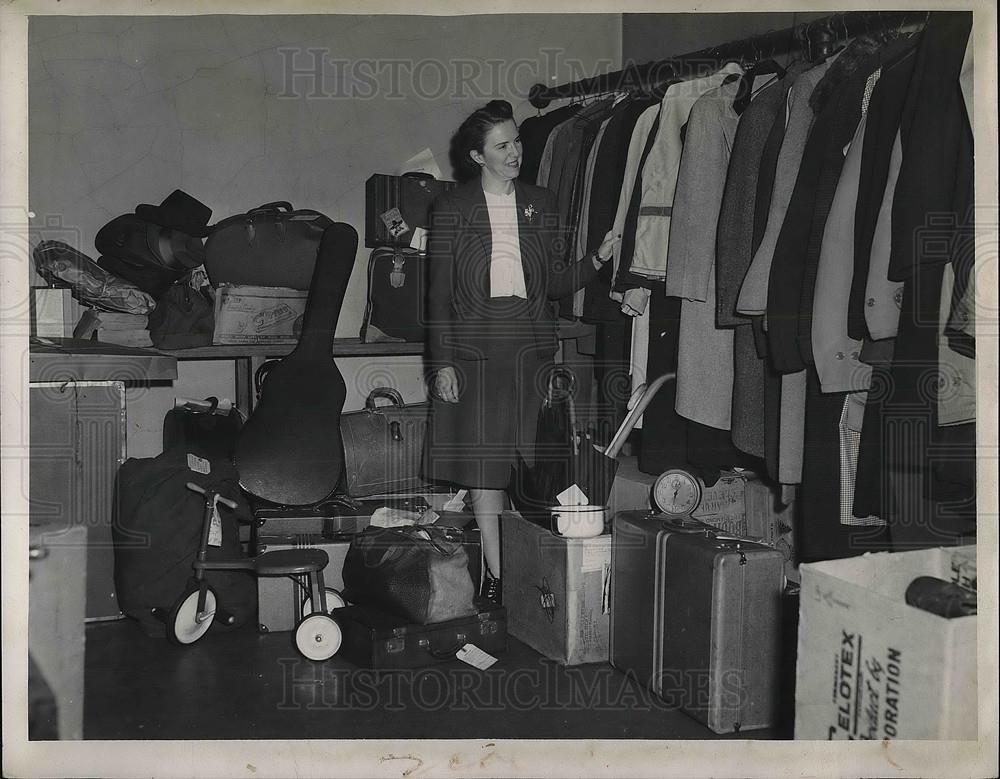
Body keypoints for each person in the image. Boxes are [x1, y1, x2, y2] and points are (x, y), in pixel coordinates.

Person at [422, 99, 619, 603]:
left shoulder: (543, 202)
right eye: (502, 145)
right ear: (477, 155)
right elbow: (438, 295)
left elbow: (553, 282)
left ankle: (530, 569)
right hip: (475, 348)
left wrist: (596, 259)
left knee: (529, 463)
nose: (516, 152)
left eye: (517, 141)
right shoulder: (452, 207)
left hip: (530, 346)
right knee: (486, 465)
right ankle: (496, 573)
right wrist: (441, 362)